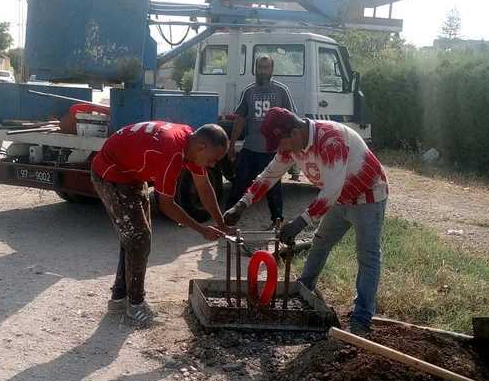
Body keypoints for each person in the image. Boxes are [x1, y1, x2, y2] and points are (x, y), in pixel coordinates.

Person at [224, 107, 388, 335]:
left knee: (367, 256)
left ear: (294, 132)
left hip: (367, 195)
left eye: (281, 142)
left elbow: (331, 189)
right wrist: (242, 204)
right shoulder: (290, 146)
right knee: (321, 242)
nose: (280, 150)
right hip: (340, 199)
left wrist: (299, 223)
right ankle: (303, 288)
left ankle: (361, 317)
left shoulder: (330, 139)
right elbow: (269, 176)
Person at [91, 120, 229, 325]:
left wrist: (221, 223)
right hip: (111, 175)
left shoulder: (189, 142)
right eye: (214, 158)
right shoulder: (172, 152)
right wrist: (201, 229)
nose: (213, 164)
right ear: (202, 147)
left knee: (134, 237)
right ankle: (135, 305)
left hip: (131, 174)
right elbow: (166, 205)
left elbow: (204, 186)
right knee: (139, 239)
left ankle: (119, 299)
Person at [226, 54, 296, 227]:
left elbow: (291, 119)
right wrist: (232, 143)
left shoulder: (281, 91)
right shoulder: (249, 91)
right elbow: (240, 118)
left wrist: (288, 144)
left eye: (266, 68)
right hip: (251, 148)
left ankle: (277, 221)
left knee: (273, 187)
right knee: (239, 183)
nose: (263, 71)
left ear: (272, 70)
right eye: (260, 67)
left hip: (272, 150)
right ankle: (227, 219)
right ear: (255, 69)